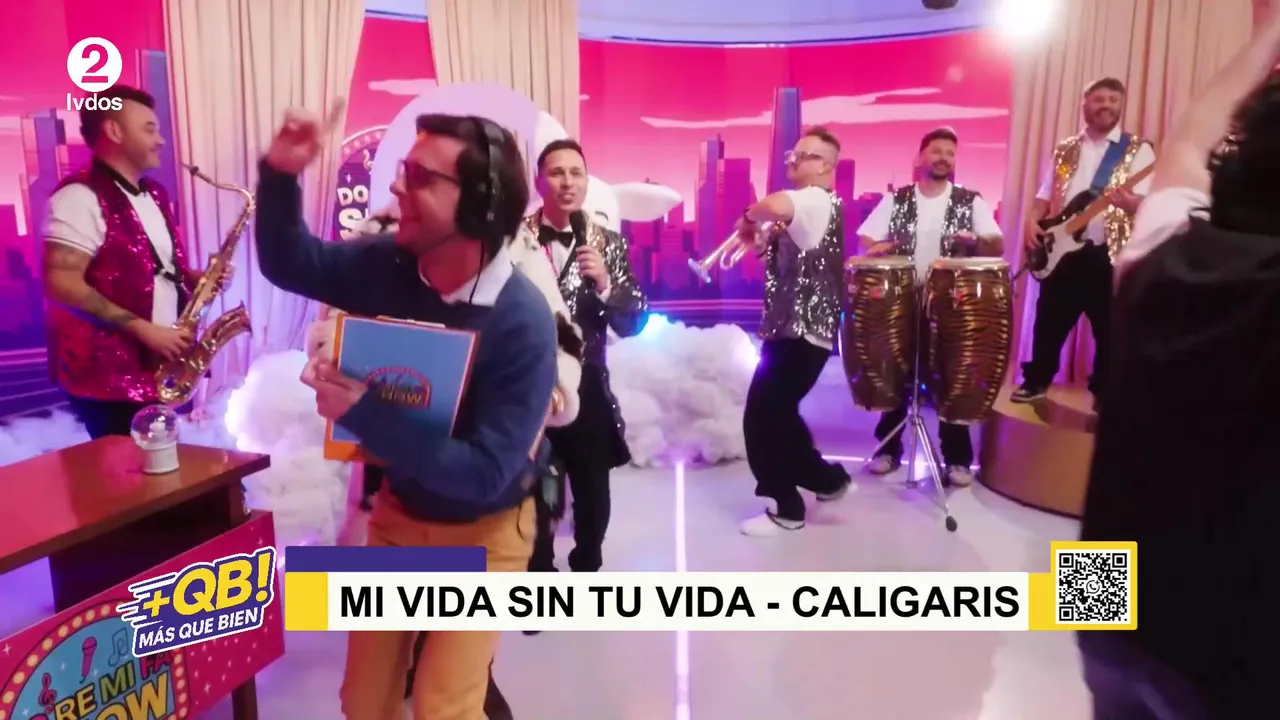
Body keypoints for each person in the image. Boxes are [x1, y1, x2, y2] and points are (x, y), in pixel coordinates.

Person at [254, 106, 557, 719]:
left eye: (420, 177)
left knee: (444, 707)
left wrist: (363, 412)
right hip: (399, 517)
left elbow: (483, 474)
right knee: (364, 704)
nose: (396, 187)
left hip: (486, 533)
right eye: (402, 170)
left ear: (481, 206)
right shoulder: (385, 264)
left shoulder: (522, 321)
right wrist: (280, 174)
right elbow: (290, 263)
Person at [1077, 7, 1280, 718]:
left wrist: (1267, 37)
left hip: (1103, 611)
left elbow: (1187, 142)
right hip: (1227, 659)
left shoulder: (1161, 258)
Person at [514, 138, 647, 576]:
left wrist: (607, 284)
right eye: (557, 172)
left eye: (576, 173)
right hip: (530, 381)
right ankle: (538, 572)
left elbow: (634, 322)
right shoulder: (515, 239)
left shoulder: (608, 243)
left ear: (587, 181)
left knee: (592, 485)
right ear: (539, 181)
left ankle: (588, 561)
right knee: (537, 484)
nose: (567, 182)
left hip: (587, 382)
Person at [41, 84, 204, 438]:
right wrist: (144, 330)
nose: (160, 140)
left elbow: (150, 269)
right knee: (129, 472)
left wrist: (195, 279)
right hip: (110, 382)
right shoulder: (78, 197)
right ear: (114, 131)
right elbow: (60, 282)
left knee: (167, 468)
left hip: (158, 370)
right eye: (149, 129)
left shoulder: (154, 193)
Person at [856, 127, 1004, 487]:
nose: (943, 159)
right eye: (937, 151)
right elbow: (866, 237)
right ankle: (888, 449)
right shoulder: (897, 199)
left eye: (950, 154)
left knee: (953, 376)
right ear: (921, 157)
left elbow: (996, 243)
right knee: (895, 370)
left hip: (953, 305)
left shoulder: (970, 201)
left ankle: (957, 459)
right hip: (901, 300)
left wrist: (977, 241)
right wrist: (879, 247)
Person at [733, 126, 852, 537]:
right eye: (793, 154)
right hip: (792, 333)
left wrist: (748, 217)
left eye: (805, 155)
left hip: (800, 334)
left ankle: (786, 508)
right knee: (780, 414)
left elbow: (771, 204)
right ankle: (827, 481)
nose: (794, 160)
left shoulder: (813, 199)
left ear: (825, 166)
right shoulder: (811, 207)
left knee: (762, 419)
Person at [1012, 77, 1154, 409]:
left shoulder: (1138, 149)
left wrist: (1129, 203)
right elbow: (1044, 195)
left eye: (1113, 100)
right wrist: (1031, 221)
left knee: (1111, 329)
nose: (1107, 106)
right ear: (1084, 104)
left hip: (1110, 253)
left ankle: (1105, 392)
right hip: (1063, 253)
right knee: (1048, 321)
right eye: (1099, 99)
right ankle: (1037, 380)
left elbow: (1149, 201)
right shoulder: (1066, 148)